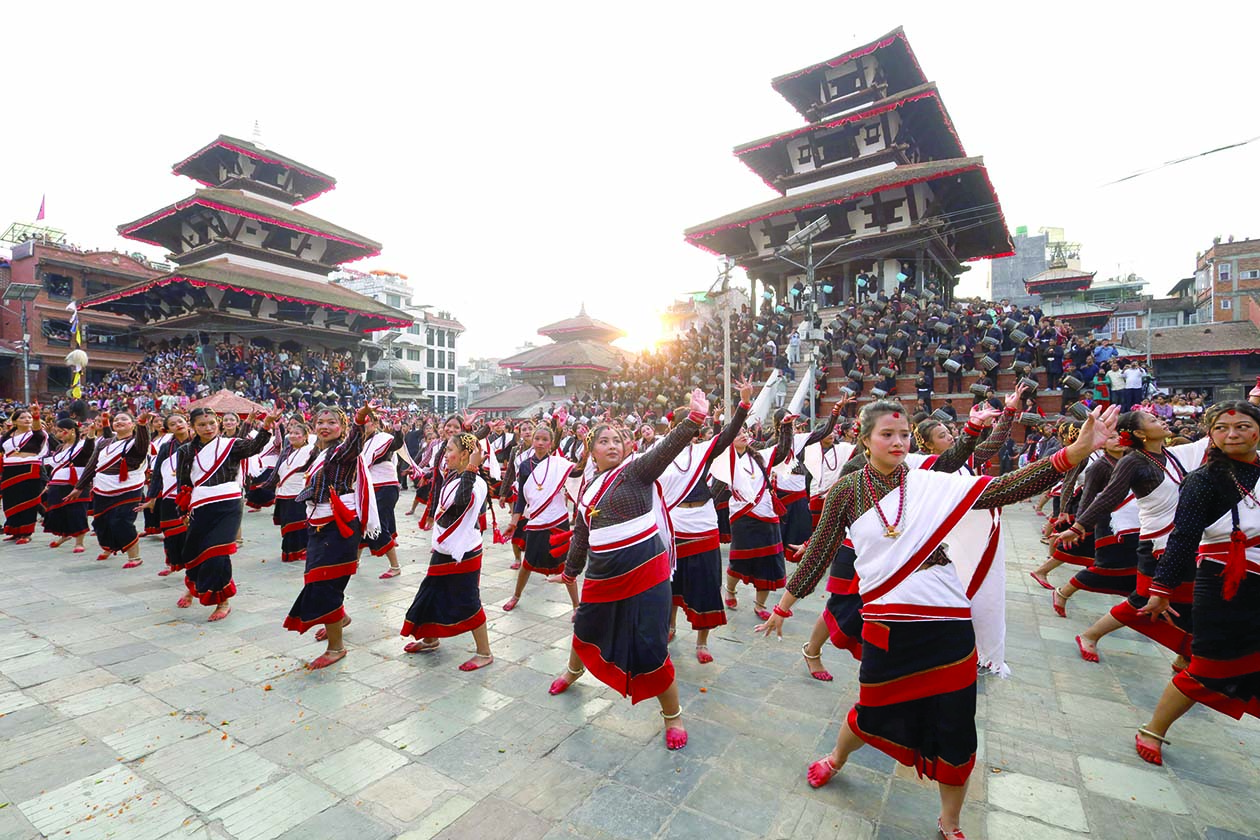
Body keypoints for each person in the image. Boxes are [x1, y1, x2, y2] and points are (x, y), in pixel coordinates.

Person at [757, 399, 1117, 840]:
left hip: (946, 623)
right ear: (864, 437)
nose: (897, 442)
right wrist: (784, 605)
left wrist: (1073, 454)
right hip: (887, 621)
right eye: (887, 434)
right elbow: (820, 550)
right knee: (872, 711)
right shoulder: (847, 491)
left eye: (904, 434)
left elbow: (1001, 488)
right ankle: (837, 758)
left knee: (956, 725)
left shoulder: (929, 482)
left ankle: (950, 822)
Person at [548, 389, 712, 752]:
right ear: (591, 452)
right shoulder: (589, 488)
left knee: (652, 645)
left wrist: (694, 419)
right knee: (585, 625)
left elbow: (665, 450)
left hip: (646, 573)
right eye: (603, 441)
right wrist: (571, 571)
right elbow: (581, 535)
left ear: (627, 447)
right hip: (603, 575)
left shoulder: (636, 472)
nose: (612, 445)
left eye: (618, 439)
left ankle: (672, 715)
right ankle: (573, 671)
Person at [1132, 400, 1260, 765]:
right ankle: (1153, 729)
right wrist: (1161, 589)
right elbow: (1184, 537)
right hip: (1223, 585)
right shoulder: (1203, 479)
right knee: (1210, 667)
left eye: (1242, 426)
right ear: (1211, 434)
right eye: (1221, 428)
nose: (1231, 434)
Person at [1053, 410, 1210, 664]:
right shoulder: (1134, 461)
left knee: (1190, 599)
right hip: (1156, 545)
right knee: (1143, 598)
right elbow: (1108, 496)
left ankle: (1184, 657)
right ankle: (1090, 634)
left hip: (1181, 542)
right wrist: (1079, 525)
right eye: (1153, 420)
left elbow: (1213, 438)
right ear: (1139, 433)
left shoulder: (1175, 455)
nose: (1161, 421)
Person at [660, 379, 751, 664]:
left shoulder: (702, 452)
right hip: (673, 527)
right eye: (682, 424)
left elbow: (727, 435)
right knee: (670, 584)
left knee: (705, 584)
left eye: (692, 424)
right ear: (673, 428)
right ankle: (670, 626)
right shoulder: (659, 454)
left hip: (703, 525)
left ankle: (702, 642)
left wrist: (743, 405)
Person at [284, 403, 379, 669]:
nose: (325, 426)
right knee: (321, 581)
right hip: (318, 526)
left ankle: (336, 648)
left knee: (324, 584)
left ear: (343, 427)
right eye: (320, 422)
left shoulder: (343, 452)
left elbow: (355, 443)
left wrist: (361, 417)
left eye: (332, 422)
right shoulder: (318, 453)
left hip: (339, 526)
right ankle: (338, 619)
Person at [400, 433, 494, 670]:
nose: (445, 454)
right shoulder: (455, 474)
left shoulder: (474, 482)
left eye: (450, 449)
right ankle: (431, 638)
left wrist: (473, 465)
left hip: (463, 552)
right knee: (432, 591)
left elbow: (461, 502)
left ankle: (484, 652)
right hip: (444, 548)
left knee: (468, 599)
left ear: (464, 455)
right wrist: (471, 432)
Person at [174, 408, 277, 620]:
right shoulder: (185, 451)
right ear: (193, 426)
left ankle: (223, 601)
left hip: (228, 504)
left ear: (218, 423)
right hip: (200, 504)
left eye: (211, 423)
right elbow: (183, 482)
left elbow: (253, 446)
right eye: (202, 425)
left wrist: (266, 425)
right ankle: (193, 587)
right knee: (195, 551)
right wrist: (182, 509)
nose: (208, 428)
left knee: (217, 552)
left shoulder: (231, 445)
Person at [710, 411, 793, 619]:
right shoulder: (724, 461)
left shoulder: (760, 455)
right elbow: (716, 491)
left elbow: (782, 451)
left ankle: (760, 604)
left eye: (745, 431)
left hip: (766, 513)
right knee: (740, 560)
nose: (743, 434)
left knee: (768, 562)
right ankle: (729, 589)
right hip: (742, 517)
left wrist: (786, 427)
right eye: (737, 433)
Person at [501, 422, 578, 613]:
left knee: (565, 563)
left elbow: (579, 473)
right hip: (535, 518)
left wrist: (586, 450)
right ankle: (516, 595)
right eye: (537, 439)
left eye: (545, 440)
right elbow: (521, 497)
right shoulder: (525, 465)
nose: (540, 443)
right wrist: (513, 521)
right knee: (528, 562)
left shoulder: (559, 464)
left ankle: (577, 605)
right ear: (532, 440)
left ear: (551, 443)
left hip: (557, 517)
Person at [69, 412, 152, 567]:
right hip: (103, 486)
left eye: (125, 419)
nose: (120, 421)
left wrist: (142, 423)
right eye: (117, 420)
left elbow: (143, 443)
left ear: (132, 425)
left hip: (128, 487)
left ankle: (134, 557)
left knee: (122, 521)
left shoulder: (136, 442)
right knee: (101, 522)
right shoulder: (104, 443)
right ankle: (109, 547)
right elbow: (92, 465)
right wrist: (79, 487)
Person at [358, 408, 406, 578]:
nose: (364, 424)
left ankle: (395, 566)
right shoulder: (359, 442)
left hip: (385, 487)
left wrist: (398, 430)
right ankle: (355, 562)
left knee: (378, 525)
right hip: (368, 487)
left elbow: (396, 444)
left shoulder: (383, 439)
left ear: (376, 423)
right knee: (362, 523)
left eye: (368, 421)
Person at [142, 413, 192, 576]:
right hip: (170, 495)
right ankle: (174, 562)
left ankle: (192, 565)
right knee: (170, 531)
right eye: (172, 424)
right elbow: (157, 474)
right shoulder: (166, 447)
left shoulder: (199, 443)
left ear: (187, 423)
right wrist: (152, 497)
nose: (177, 425)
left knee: (190, 532)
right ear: (167, 429)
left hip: (193, 495)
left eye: (180, 421)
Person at [42, 418, 92, 553]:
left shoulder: (82, 446)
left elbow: (90, 448)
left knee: (77, 511)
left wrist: (91, 435)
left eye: (61, 431)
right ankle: (65, 534)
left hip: (76, 482)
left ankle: (79, 542)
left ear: (72, 431)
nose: (58, 434)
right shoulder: (60, 448)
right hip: (57, 482)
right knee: (58, 511)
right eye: (57, 431)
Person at [1, 405, 47, 543]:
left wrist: (36, 415)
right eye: (22, 417)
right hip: (10, 470)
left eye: (29, 417)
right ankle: (14, 530)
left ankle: (26, 533)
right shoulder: (7, 437)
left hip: (29, 469)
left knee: (27, 500)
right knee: (11, 500)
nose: (27, 420)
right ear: (15, 421)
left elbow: (38, 430)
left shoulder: (36, 434)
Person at [272, 419, 316, 563]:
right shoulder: (288, 452)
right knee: (287, 524)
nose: (292, 435)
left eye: (297, 433)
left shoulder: (310, 451)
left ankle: (303, 550)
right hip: (284, 493)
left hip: (297, 493)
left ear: (305, 437)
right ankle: (290, 551)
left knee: (298, 523)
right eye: (290, 433)